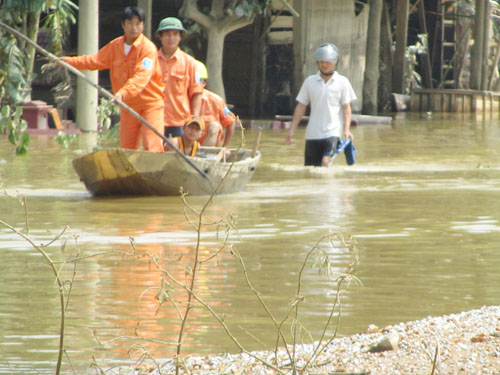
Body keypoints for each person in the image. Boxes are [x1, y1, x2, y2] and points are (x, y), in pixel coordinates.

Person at [62, 6, 165, 152]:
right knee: (127, 147)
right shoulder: (115, 46)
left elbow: (142, 76)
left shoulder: (148, 49)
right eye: (130, 23)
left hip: (150, 104)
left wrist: (123, 93)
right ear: (123, 25)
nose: (134, 28)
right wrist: (68, 61)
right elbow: (95, 60)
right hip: (129, 105)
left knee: (152, 144)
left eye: (138, 24)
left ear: (142, 25)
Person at [285, 43, 356, 167]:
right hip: (312, 133)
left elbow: (346, 108)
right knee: (311, 169)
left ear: (335, 62)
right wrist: (291, 130)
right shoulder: (310, 82)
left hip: (332, 132)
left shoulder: (342, 82)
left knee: (325, 161)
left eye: (328, 62)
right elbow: (301, 107)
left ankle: (327, 185)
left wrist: (347, 130)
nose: (324, 65)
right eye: (321, 61)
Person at [155, 17, 203, 138]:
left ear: (180, 37)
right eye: (167, 34)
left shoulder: (190, 62)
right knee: (153, 155)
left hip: (180, 122)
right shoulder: (151, 60)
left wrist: (195, 119)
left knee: (178, 155)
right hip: (154, 119)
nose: (171, 38)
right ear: (160, 36)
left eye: (175, 34)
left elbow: (196, 92)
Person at [194, 60, 236, 148]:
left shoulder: (216, 100)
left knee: (215, 126)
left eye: (197, 81)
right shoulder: (180, 100)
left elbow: (231, 122)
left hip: (207, 146)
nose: (194, 85)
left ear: (204, 83)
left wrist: (226, 147)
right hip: (186, 145)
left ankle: (204, 156)